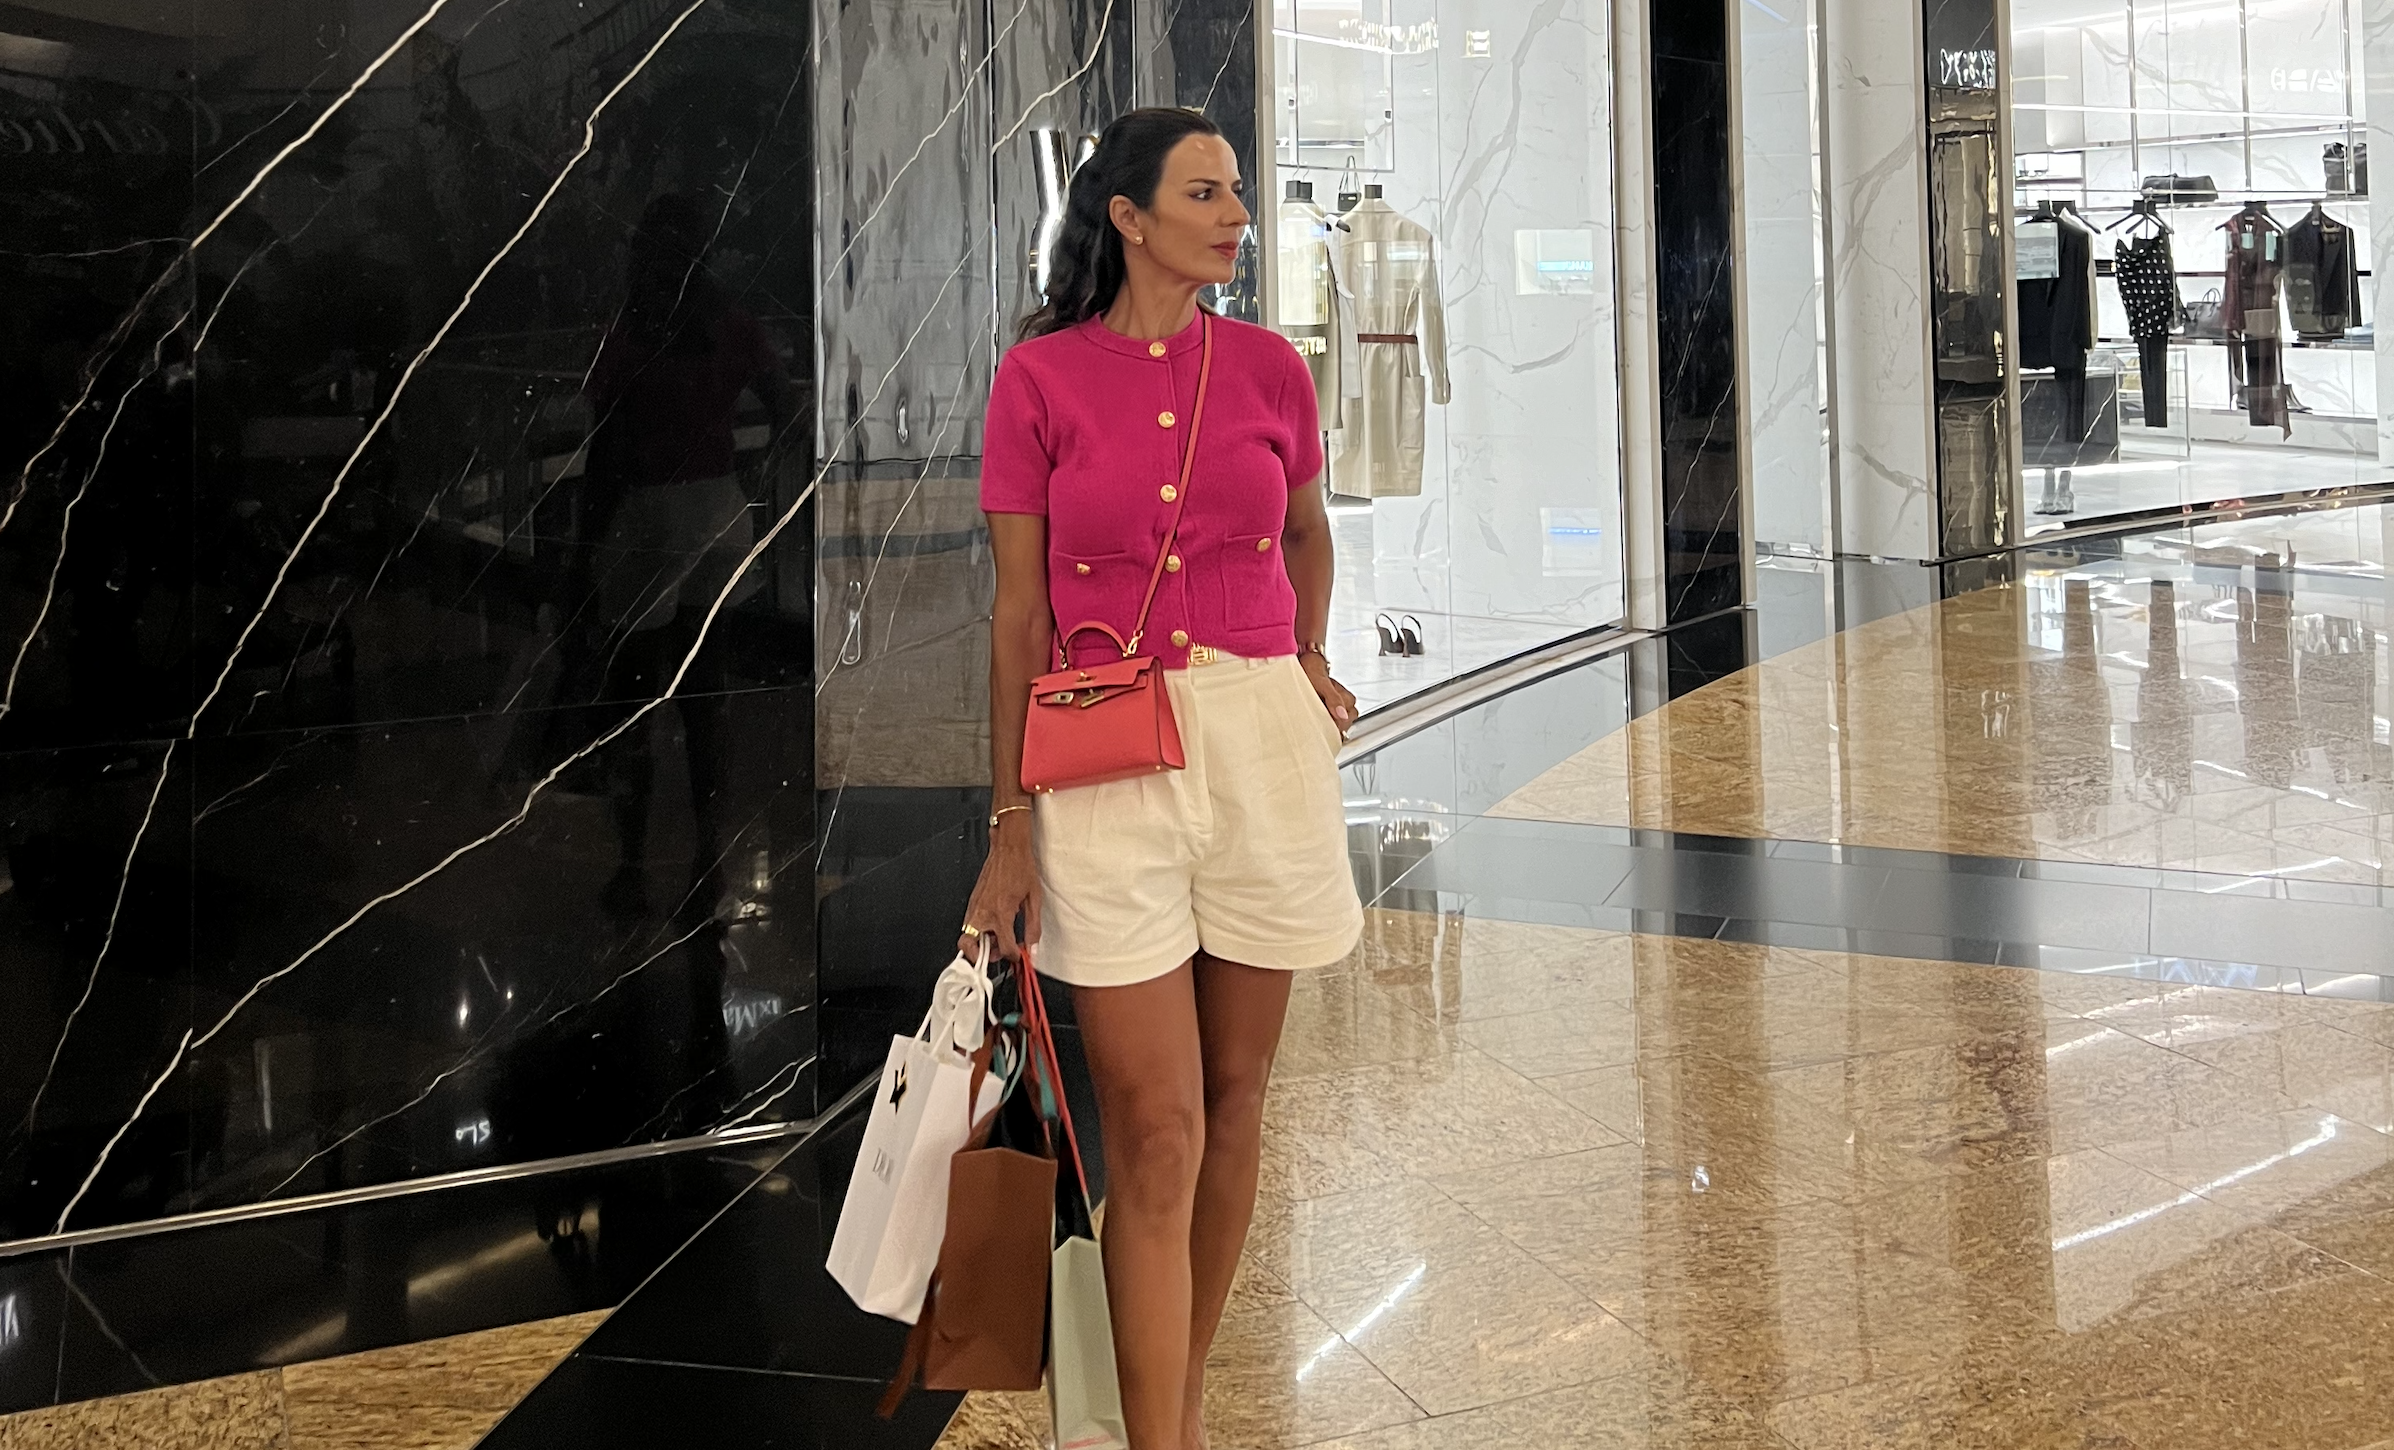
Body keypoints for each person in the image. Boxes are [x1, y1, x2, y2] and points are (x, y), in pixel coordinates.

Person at [958, 109, 1364, 1450]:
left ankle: (1168, 1406)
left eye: (1236, 190)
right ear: (1127, 217)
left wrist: (1308, 659)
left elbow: (1306, 532)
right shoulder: (1039, 382)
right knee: (1156, 1127)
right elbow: (1018, 616)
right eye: (1204, 192)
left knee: (1236, 1104)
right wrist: (1008, 822)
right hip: (1102, 758)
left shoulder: (1271, 368)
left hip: (1260, 748)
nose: (1235, 213)